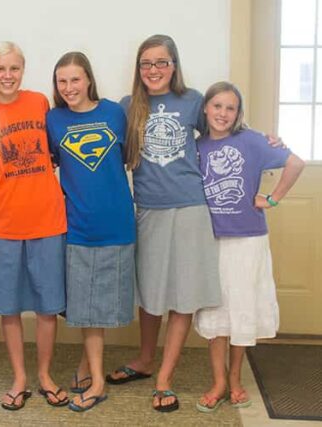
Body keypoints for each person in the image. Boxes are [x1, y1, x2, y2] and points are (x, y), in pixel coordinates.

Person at [106, 34, 222, 412]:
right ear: (138, 70)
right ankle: (144, 359)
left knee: (182, 295)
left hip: (190, 208)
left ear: (174, 65)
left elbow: (225, 134)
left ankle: (165, 378)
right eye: (146, 64)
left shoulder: (193, 101)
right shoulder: (128, 107)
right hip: (148, 210)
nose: (153, 70)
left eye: (161, 62)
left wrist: (264, 145)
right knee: (151, 294)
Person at [0, 41, 68, 410]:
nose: (7, 76)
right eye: (0, 70)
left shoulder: (39, 102)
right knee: (9, 309)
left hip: (47, 221)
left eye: (14, 69)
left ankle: (44, 374)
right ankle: (20, 377)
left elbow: (61, 147)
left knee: (46, 307)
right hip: (5, 225)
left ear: (22, 71)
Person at [193, 81, 304, 413]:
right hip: (210, 239)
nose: (223, 113)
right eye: (217, 106)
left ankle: (236, 378)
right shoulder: (195, 147)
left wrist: (272, 198)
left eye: (230, 108)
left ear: (238, 113)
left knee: (239, 310)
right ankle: (218, 382)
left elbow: (295, 163)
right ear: (206, 109)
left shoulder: (253, 141)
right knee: (215, 313)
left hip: (247, 239)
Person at [46, 52, 136, 412]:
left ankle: (89, 369)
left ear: (89, 80)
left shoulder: (115, 112)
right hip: (77, 227)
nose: (69, 87)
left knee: (104, 305)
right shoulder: (53, 120)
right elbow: (49, 164)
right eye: (62, 81)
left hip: (117, 223)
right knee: (84, 307)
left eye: (75, 79)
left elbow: (129, 157)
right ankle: (98, 380)